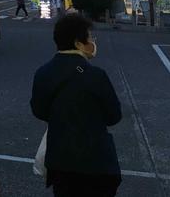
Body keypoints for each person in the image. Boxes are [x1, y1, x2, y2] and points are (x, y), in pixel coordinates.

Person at [31, 14, 122, 197]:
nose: (93, 41)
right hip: (97, 163)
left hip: (60, 163)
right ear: (78, 43)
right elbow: (114, 116)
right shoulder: (96, 75)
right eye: (89, 37)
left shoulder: (43, 73)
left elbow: (39, 111)